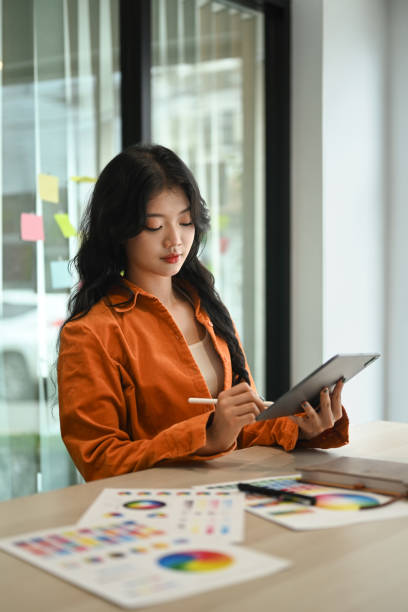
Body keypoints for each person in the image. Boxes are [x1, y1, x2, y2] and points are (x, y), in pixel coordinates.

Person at [58, 144, 349, 481]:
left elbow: (241, 430)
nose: (175, 241)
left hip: (228, 496)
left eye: (185, 222)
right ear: (118, 230)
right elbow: (98, 460)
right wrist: (208, 435)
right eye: (155, 226)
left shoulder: (205, 307)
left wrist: (297, 427)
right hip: (154, 513)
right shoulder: (92, 332)